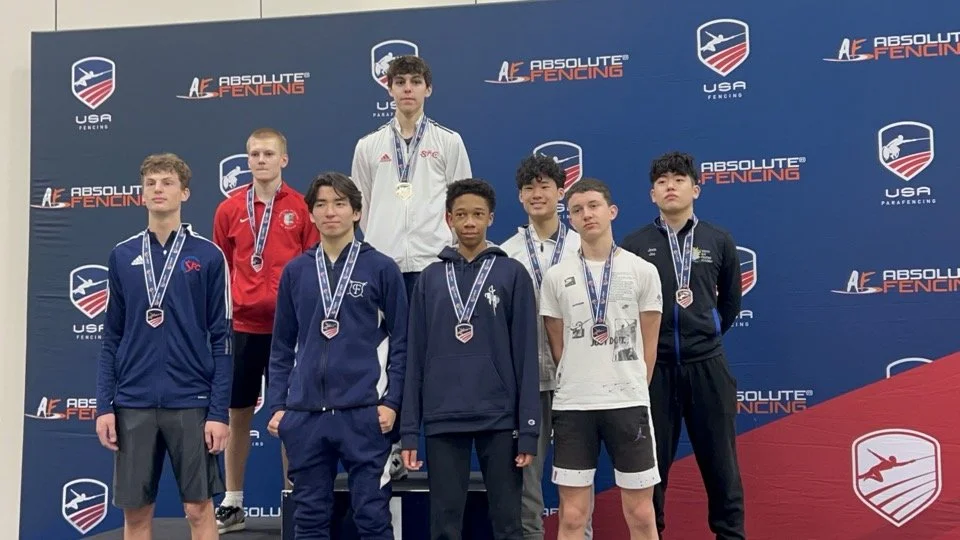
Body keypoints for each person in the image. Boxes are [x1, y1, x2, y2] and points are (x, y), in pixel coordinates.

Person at [95, 153, 232, 540]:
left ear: (184, 193)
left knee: (198, 509)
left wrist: (218, 411)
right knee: (136, 515)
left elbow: (222, 340)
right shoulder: (121, 256)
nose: (158, 188)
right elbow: (111, 339)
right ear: (141, 195)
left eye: (167, 182)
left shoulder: (207, 256)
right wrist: (106, 406)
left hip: (190, 400)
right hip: (133, 402)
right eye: (151, 183)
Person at [267, 172, 408, 539]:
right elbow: (282, 345)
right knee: (309, 520)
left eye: (340, 203)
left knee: (372, 517)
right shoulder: (297, 271)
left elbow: (402, 341)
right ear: (310, 214)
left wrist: (391, 402)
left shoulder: (382, 268)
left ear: (357, 212)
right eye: (321, 204)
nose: (331, 212)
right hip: (306, 415)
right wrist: (280, 407)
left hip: (364, 413)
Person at [351, 53, 472, 479]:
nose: (407, 88)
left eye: (414, 81)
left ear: (427, 89)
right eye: (399, 81)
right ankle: (388, 449)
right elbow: (360, 208)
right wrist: (383, 241)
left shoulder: (448, 141)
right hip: (384, 266)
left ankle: (431, 449)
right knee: (386, 358)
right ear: (388, 89)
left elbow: (461, 204)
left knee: (436, 357)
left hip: (432, 265)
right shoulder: (368, 146)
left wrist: (441, 247)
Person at [400, 179, 540, 540]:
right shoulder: (430, 280)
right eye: (460, 215)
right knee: (445, 525)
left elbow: (526, 356)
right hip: (443, 418)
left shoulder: (513, 274)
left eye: (478, 214)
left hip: (499, 418)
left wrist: (527, 430)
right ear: (448, 219)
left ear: (491, 218)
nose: (469, 222)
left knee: (509, 524)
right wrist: (409, 430)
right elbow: (415, 357)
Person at [620, 151, 745, 540]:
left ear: (696, 189)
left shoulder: (718, 239)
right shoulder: (634, 244)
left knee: (721, 465)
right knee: (650, 472)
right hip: (654, 370)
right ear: (651, 194)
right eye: (661, 181)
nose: (670, 186)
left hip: (707, 365)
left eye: (678, 179)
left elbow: (730, 306)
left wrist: (703, 334)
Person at [540, 178, 663, 540]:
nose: (586, 214)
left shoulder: (643, 271)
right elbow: (558, 346)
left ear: (612, 211)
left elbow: (649, 345)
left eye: (593, 206)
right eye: (576, 210)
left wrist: (631, 384)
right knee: (573, 517)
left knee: (641, 514)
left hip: (628, 403)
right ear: (570, 219)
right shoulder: (556, 277)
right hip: (574, 406)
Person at [212, 127, 319, 534]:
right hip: (242, 327)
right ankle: (234, 501)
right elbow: (220, 269)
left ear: (283, 160)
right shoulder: (228, 210)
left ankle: (292, 498)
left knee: (289, 417)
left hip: (288, 331)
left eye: (268, 154)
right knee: (237, 414)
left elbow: (312, 269)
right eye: (254, 154)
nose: (260, 160)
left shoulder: (301, 208)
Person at [500, 155, 595, 540]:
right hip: (527, 385)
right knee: (527, 481)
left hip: (577, 379)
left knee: (578, 477)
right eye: (529, 188)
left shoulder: (584, 246)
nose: (537, 194)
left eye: (545, 186)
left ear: (561, 191)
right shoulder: (506, 253)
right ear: (520, 197)